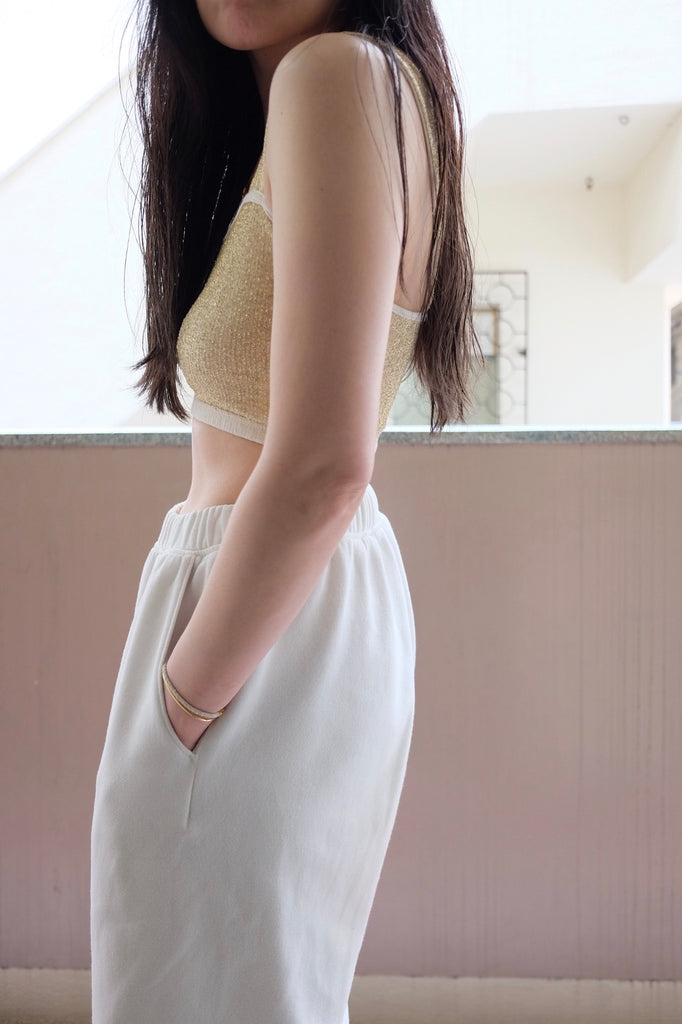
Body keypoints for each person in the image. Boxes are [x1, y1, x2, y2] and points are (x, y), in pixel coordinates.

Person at [90, 0, 480, 1021]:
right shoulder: (374, 90)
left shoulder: (332, 78)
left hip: (258, 606)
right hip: (297, 600)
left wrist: (179, 703)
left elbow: (320, 467)